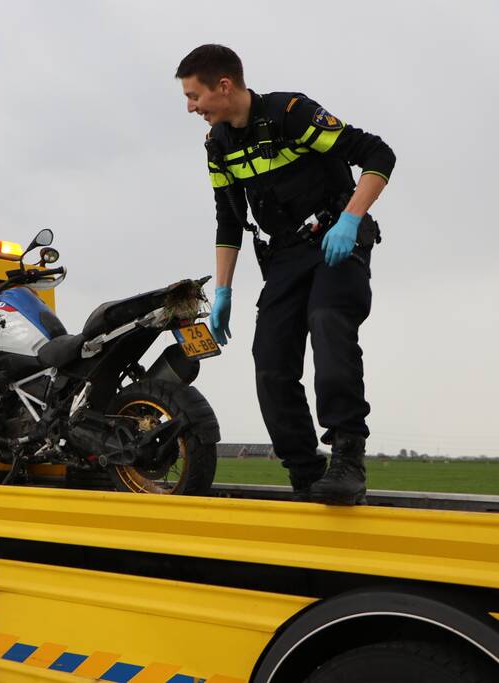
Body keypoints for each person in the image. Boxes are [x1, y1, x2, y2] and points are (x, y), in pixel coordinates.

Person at [175, 44, 395, 505]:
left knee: (328, 323)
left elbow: (378, 154)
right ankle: (306, 473)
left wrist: (352, 218)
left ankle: (348, 459)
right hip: (286, 255)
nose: (191, 107)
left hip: (337, 236)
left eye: (195, 96)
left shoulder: (290, 113)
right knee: (271, 361)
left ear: (224, 85)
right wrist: (223, 291)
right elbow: (228, 220)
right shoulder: (218, 144)